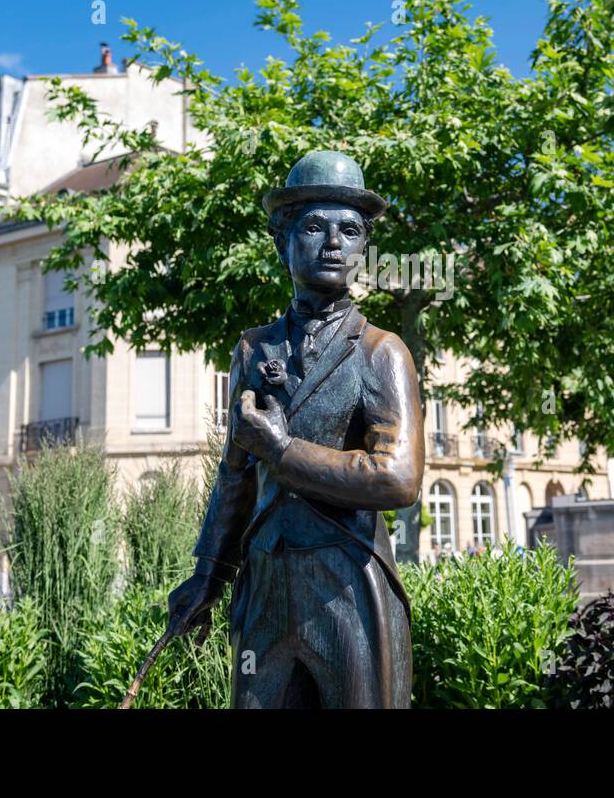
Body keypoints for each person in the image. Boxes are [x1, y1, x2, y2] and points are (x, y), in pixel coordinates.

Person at [166, 151, 423, 708]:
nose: (333, 243)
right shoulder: (253, 349)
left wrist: (282, 450)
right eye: (313, 226)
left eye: (350, 231)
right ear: (282, 239)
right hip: (264, 589)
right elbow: (234, 472)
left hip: (347, 588)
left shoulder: (382, 353)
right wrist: (208, 575)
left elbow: (397, 479)